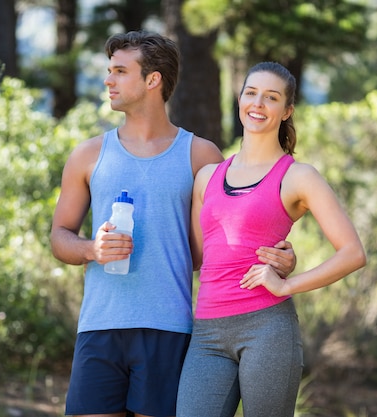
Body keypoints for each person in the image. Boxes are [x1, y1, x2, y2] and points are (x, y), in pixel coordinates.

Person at [50, 32, 297, 417]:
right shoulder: (87, 155)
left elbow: (214, 249)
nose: (108, 80)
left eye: (119, 71)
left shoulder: (202, 156)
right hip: (99, 328)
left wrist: (273, 254)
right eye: (108, 70)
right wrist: (90, 250)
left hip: (170, 330)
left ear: (153, 80)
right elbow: (58, 236)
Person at [176, 61, 367, 417]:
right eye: (251, 93)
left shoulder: (298, 176)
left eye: (271, 97)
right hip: (207, 333)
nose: (258, 104)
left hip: (266, 327)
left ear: (287, 110)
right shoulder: (207, 177)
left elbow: (353, 253)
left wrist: (287, 284)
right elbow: (197, 257)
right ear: (239, 99)